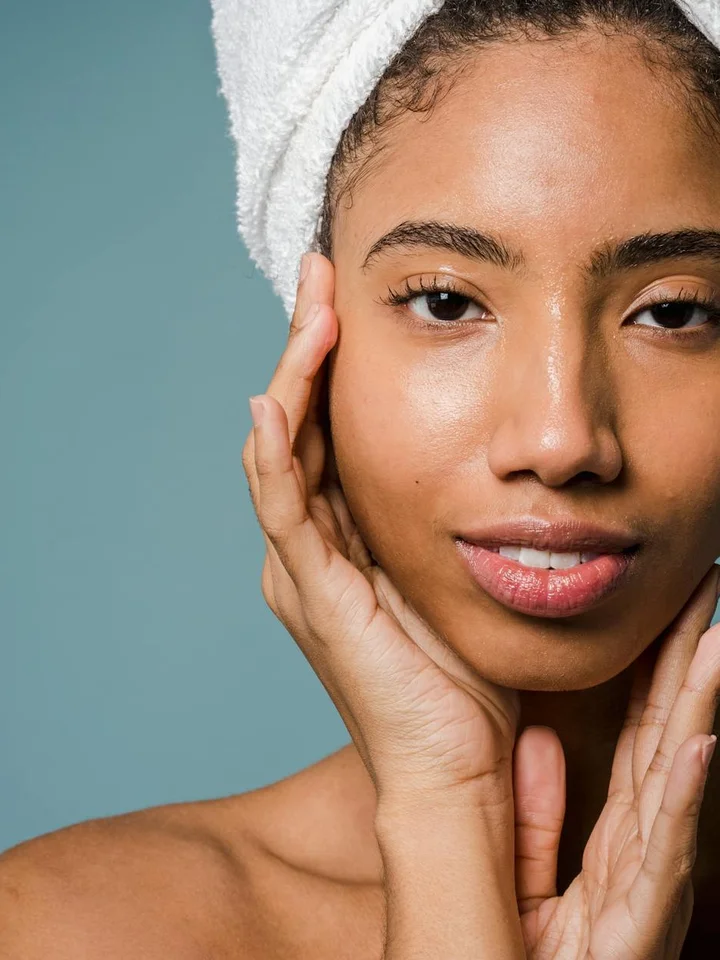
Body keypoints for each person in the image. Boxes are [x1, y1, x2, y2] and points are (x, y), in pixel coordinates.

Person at [2, 0, 720, 956]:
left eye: (672, 314)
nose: (559, 438)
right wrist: (440, 814)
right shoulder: (68, 928)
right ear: (316, 346)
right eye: (446, 300)